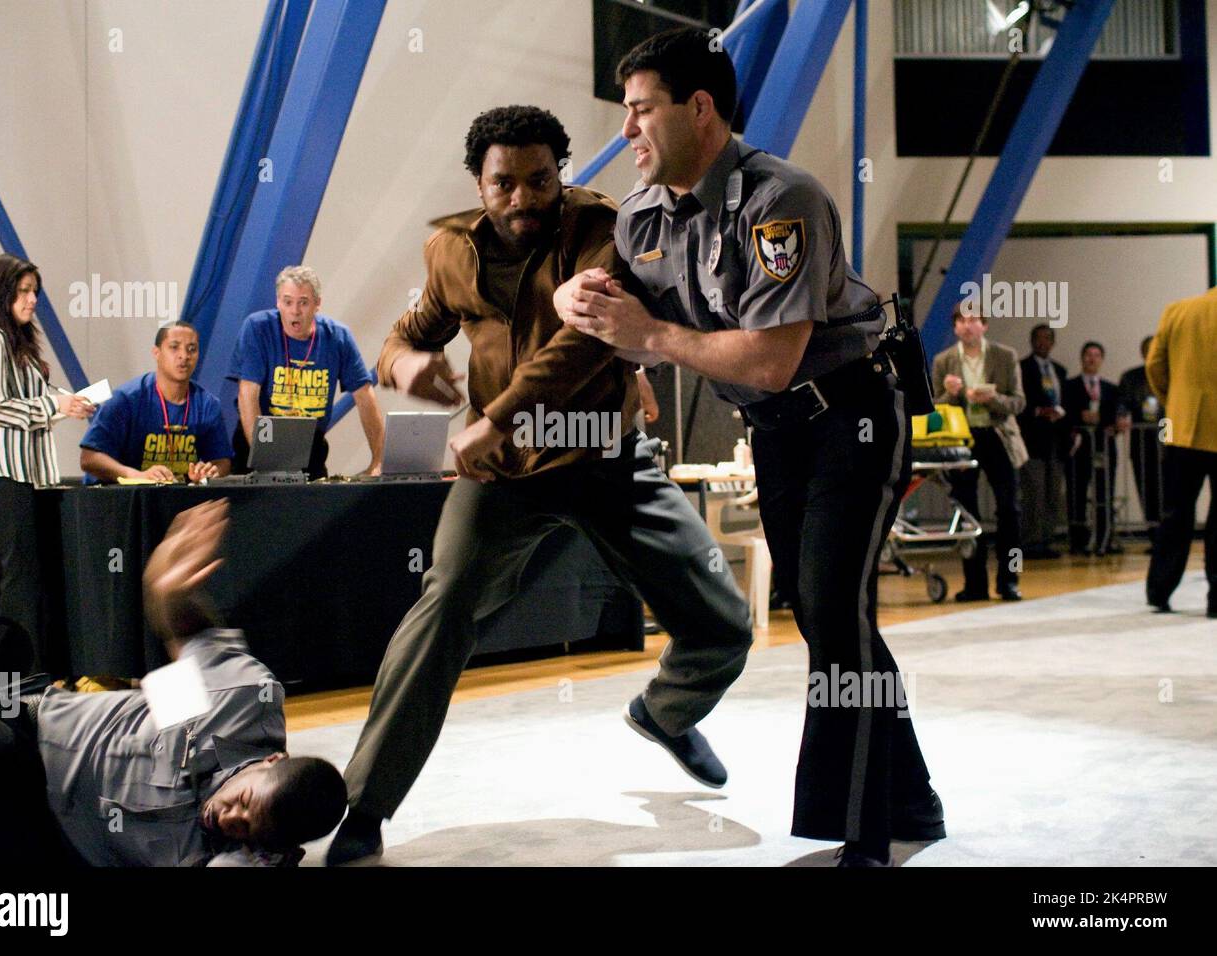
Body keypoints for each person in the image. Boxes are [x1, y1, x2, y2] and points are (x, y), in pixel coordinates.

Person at [326, 104, 753, 865]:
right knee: (443, 610)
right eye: (504, 184)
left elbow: (579, 344)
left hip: (605, 460)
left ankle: (665, 712)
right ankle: (363, 807)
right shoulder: (450, 252)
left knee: (722, 621)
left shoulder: (604, 230)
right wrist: (404, 367)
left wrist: (496, 419)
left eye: (539, 180)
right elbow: (401, 335)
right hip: (506, 480)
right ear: (478, 184)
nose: (522, 197)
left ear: (561, 175)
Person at [558, 30, 942, 867]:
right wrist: (574, 302)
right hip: (776, 433)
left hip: (852, 415)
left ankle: (863, 832)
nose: (626, 132)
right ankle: (913, 801)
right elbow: (626, 343)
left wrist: (650, 332)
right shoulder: (641, 218)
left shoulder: (782, 200)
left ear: (699, 108)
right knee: (820, 614)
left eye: (640, 110)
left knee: (836, 613)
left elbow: (770, 360)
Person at [0, 500, 348, 866]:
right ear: (271, 761)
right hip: (22, 742)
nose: (231, 820)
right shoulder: (241, 701)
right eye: (245, 803)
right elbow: (183, 631)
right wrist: (170, 590)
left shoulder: (247, 852)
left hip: (59, 846)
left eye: (251, 831)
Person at [0, 253, 94, 677]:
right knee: (20, 577)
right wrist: (54, 404)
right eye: (23, 291)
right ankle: (20, 674)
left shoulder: (19, 341)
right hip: (7, 473)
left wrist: (70, 403)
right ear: (0, 293)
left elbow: (38, 398)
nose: (32, 299)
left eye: (35, 291)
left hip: (28, 473)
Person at [228, 265, 385, 479]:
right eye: (287, 302)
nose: (295, 311)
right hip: (260, 440)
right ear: (277, 302)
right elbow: (248, 394)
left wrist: (378, 460)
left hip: (309, 445)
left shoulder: (338, 337)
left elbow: (365, 395)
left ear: (317, 304)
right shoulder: (257, 328)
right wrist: (264, 459)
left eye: (303, 302)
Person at [932, 305, 1028, 600]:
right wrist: (951, 394)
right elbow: (935, 410)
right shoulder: (943, 361)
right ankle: (974, 583)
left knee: (1009, 510)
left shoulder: (1005, 356)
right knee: (966, 511)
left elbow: (1018, 403)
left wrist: (993, 398)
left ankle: (1009, 580)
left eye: (973, 320)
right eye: (961, 320)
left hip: (997, 435)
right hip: (963, 438)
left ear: (984, 325)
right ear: (956, 326)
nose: (967, 326)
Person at [79, 321, 232, 483]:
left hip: (176, 498)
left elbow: (222, 461)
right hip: (122, 498)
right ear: (156, 352)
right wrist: (136, 475)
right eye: (174, 347)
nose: (184, 356)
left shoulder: (208, 404)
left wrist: (208, 472)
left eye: (192, 349)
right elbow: (89, 458)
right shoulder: (126, 399)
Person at [1145, 287, 1217, 617]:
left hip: (1182, 426)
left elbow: (1155, 365)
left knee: (1175, 512)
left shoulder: (1178, 310)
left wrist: (1175, 400)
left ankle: (1160, 590)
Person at [1064, 341, 1130, 555]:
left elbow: (1117, 416)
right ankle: (1078, 540)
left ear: (1101, 360)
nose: (1092, 359)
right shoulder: (1070, 386)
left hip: (1104, 447)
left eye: (1096, 355)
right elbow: (1064, 413)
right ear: (1082, 358)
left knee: (1105, 493)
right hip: (1079, 448)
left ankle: (1105, 537)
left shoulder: (1111, 388)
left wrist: (1111, 422)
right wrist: (1079, 418)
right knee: (1077, 493)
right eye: (1088, 355)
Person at [1017, 323, 1069, 558]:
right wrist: (1038, 412)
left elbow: (1066, 402)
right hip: (1032, 441)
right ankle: (1031, 541)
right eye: (1038, 338)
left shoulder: (1060, 370)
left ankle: (1047, 539)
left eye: (1047, 338)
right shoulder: (1022, 368)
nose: (1043, 342)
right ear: (1031, 341)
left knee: (1053, 493)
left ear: (1053, 342)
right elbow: (1019, 404)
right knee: (1034, 493)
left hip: (1056, 441)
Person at [1118, 335, 1164, 534]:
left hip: (1166, 443)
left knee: (1168, 489)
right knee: (1146, 489)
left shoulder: (1170, 375)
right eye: (1148, 349)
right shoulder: (1131, 377)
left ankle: (1167, 534)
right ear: (1142, 353)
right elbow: (1122, 403)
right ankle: (1153, 533)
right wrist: (1122, 415)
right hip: (1141, 444)